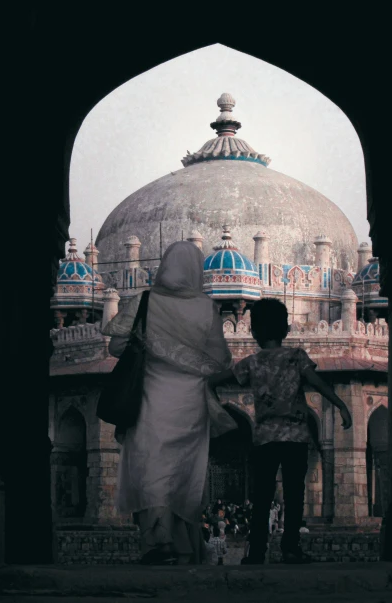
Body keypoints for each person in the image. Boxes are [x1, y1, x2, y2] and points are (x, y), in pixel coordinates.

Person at [104, 241, 237, 565]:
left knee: (151, 470)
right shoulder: (207, 308)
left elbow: (116, 346)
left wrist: (149, 344)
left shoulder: (144, 302)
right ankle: (187, 546)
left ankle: (157, 541)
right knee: (184, 474)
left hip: (150, 399)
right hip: (190, 403)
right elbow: (221, 361)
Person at [208, 298, 352, 565]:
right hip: (295, 437)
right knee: (295, 495)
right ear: (286, 330)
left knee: (262, 497)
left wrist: (212, 402)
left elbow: (215, 379)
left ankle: (257, 552)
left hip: (264, 439)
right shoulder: (296, 357)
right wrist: (341, 405)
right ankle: (290, 548)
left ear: (253, 333)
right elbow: (317, 382)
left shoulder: (252, 362)